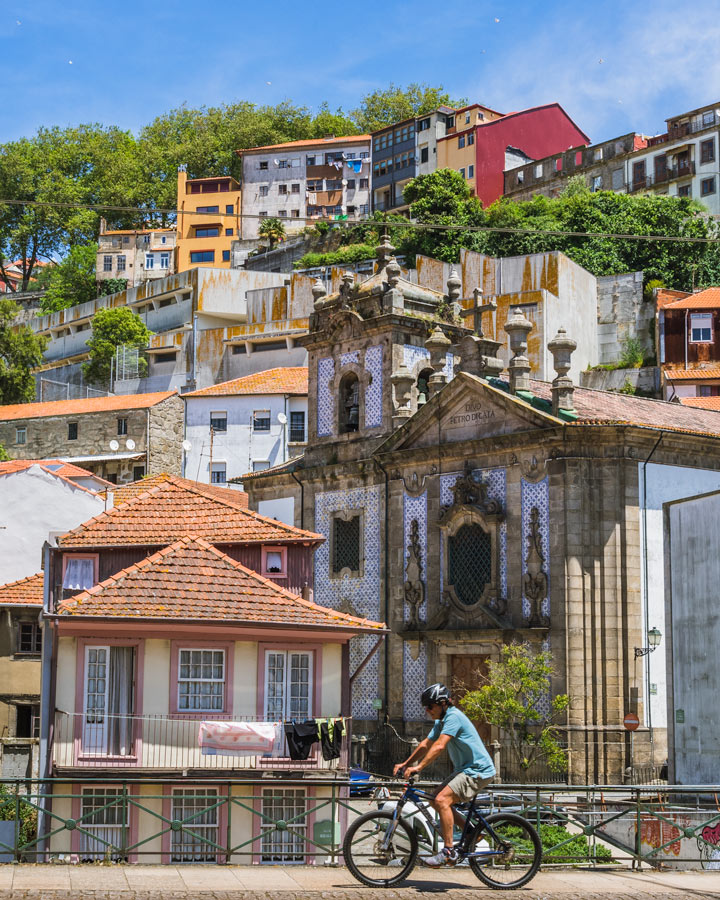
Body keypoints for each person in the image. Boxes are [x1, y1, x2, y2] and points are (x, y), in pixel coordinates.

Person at [393, 683, 496, 867]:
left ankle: (449, 852)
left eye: (430, 706)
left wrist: (419, 768)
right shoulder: (442, 721)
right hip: (465, 769)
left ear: (442, 704)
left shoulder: (453, 717)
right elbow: (426, 744)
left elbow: (439, 746)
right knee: (434, 799)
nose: (427, 710)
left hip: (477, 770)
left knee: (442, 800)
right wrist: (406, 763)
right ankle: (472, 832)